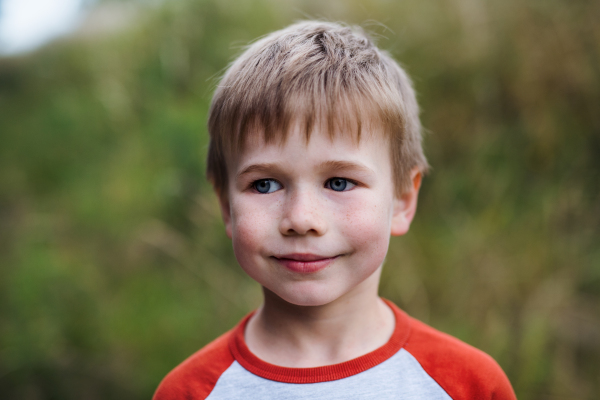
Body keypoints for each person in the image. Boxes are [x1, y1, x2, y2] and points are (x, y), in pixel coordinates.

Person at [153, 21, 516, 400]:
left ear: (402, 200)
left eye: (338, 182)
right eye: (264, 184)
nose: (301, 220)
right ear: (227, 207)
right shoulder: (189, 392)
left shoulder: (469, 385)